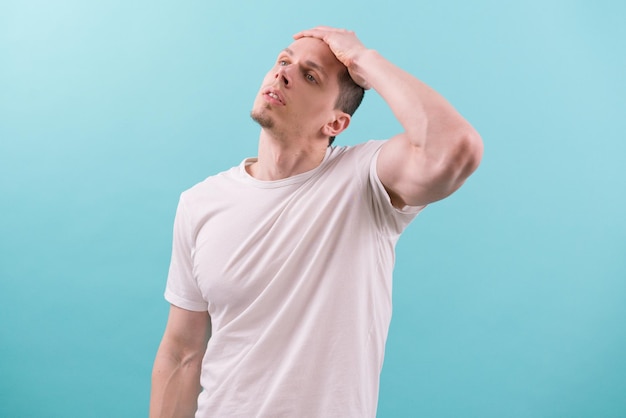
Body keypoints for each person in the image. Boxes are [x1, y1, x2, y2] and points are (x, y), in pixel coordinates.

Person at [150, 26, 483, 418]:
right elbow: (182, 354)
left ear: (336, 124)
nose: (283, 74)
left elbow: (455, 148)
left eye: (309, 76)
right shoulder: (200, 203)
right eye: (283, 61)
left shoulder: (366, 180)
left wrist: (362, 59)